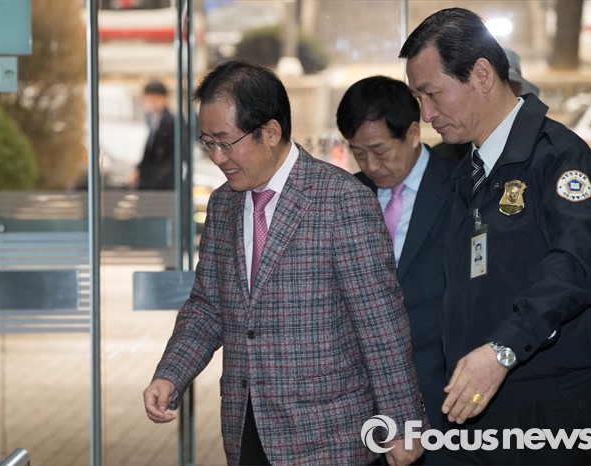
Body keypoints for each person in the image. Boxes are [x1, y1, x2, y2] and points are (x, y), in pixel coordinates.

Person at [143, 60, 427, 465]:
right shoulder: (223, 205)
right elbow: (207, 306)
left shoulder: (341, 199)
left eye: (226, 142)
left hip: (330, 437)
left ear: (271, 132)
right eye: (208, 143)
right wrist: (171, 373)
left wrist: (402, 424)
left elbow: (380, 322)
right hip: (246, 429)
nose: (217, 157)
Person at [400, 7, 591, 465]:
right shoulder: (470, 170)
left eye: (432, 94)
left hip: (551, 410)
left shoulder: (558, 157)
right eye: (418, 98)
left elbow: (576, 266)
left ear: (482, 75)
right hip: (482, 406)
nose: (427, 114)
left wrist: (502, 349)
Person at [336, 75, 456, 465]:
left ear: (413, 133)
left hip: (439, 396)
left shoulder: (462, 190)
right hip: (357, 408)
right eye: (358, 153)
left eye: (379, 150)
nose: (371, 166)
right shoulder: (345, 196)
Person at [433, 47, 540, 162]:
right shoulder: (445, 155)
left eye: (506, 86)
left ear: (519, 90)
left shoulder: (541, 147)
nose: (498, 94)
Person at [133, 80, 175, 190]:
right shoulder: (151, 120)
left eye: (155, 98)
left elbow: (172, 158)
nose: (151, 102)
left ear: (164, 99)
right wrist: (138, 170)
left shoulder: (171, 122)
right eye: (148, 98)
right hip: (151, 184)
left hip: (162, 186)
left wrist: (154, 179)